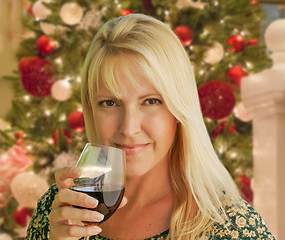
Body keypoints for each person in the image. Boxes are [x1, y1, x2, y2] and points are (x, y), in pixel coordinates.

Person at [26, 14, 274, 240]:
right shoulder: (60, 210)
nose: (129, 128)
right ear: (91, 109)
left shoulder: (231, 227)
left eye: (151, 101)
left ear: (178, 110)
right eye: (110, 102)